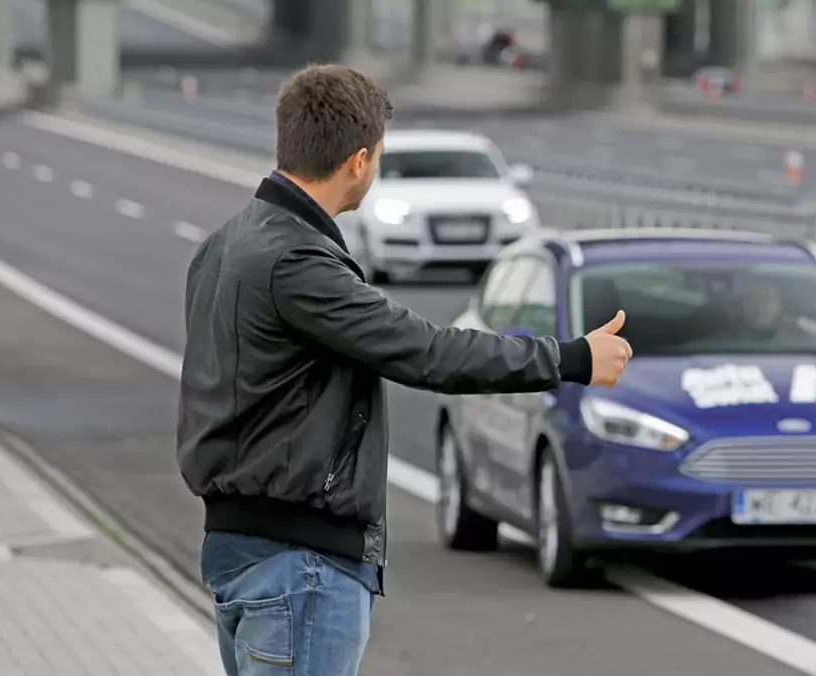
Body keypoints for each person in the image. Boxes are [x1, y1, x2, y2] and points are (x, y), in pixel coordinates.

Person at [176, 64, 633, 676]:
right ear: (359, 160)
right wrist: (571, 359)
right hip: (301, 559)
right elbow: (428, 351)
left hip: (240, 548)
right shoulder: (298, 261)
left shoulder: (225, 243)